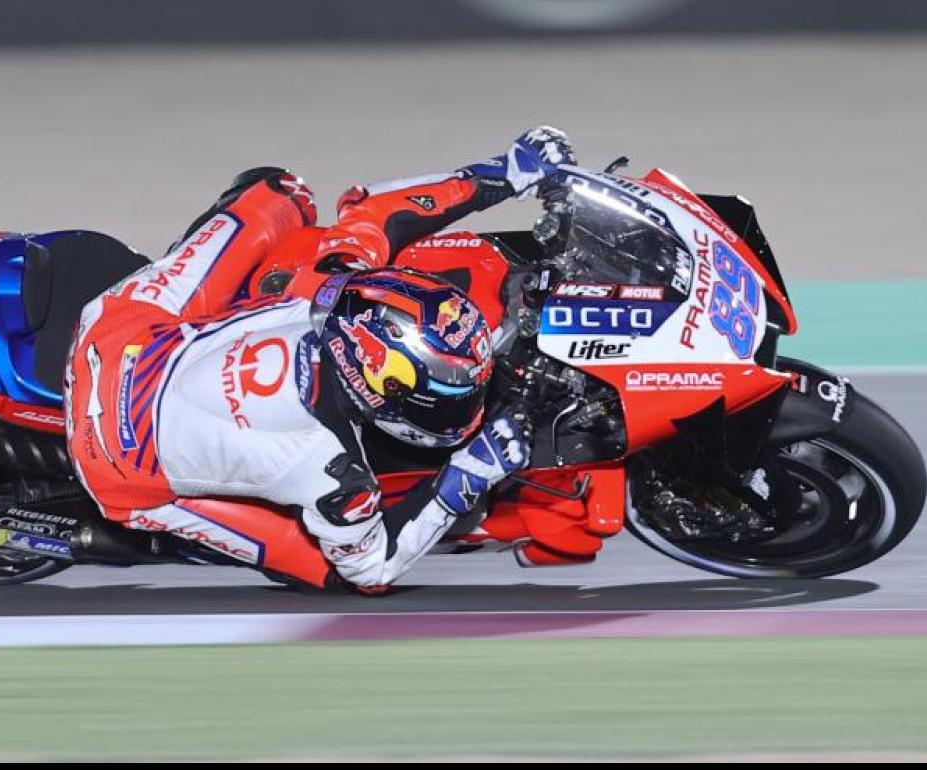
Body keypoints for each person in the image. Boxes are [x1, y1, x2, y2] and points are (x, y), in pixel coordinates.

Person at [64, 127, 576, 591]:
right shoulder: (329, 469)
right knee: (327, 570)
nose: (464, 403)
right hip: (118, 459)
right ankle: (151, 535)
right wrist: (471, 472)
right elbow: (374, 567)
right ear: (378, 392)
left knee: (281, 192)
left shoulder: (332, 285)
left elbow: (379, 212)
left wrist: (506, 173)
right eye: (447, 395)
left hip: (121, 334)